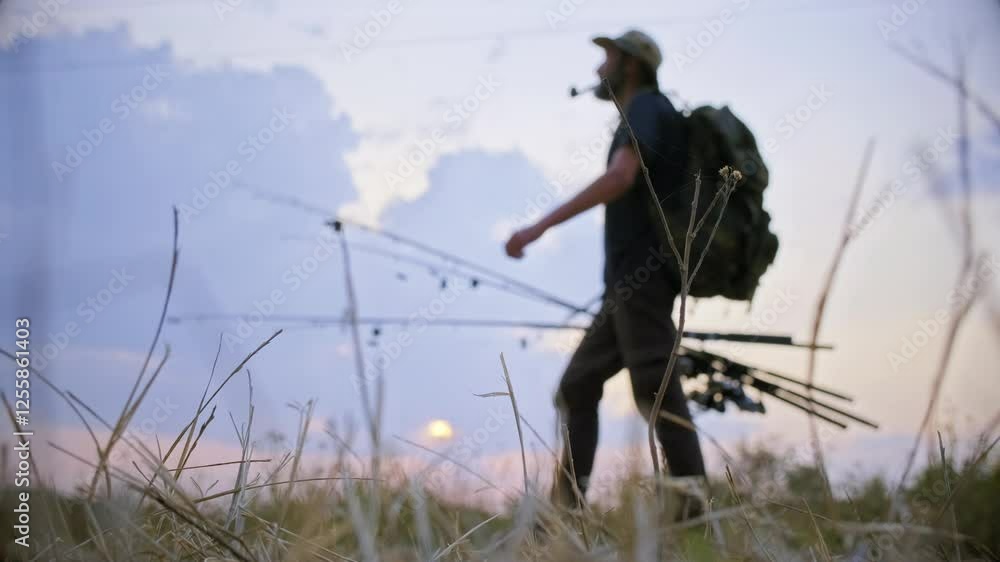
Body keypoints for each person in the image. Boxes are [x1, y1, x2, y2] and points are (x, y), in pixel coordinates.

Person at [504, 29, 707, 518]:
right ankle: (566, 516)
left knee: (655, 387)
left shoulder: (647, 108)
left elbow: (620, 177)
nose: (598, 69)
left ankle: (695, 515)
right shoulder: (647, 111)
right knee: (578, 386)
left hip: (642, 276)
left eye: (608, 58)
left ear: (630, 65)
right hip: (626, 284)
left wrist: (537, 227)